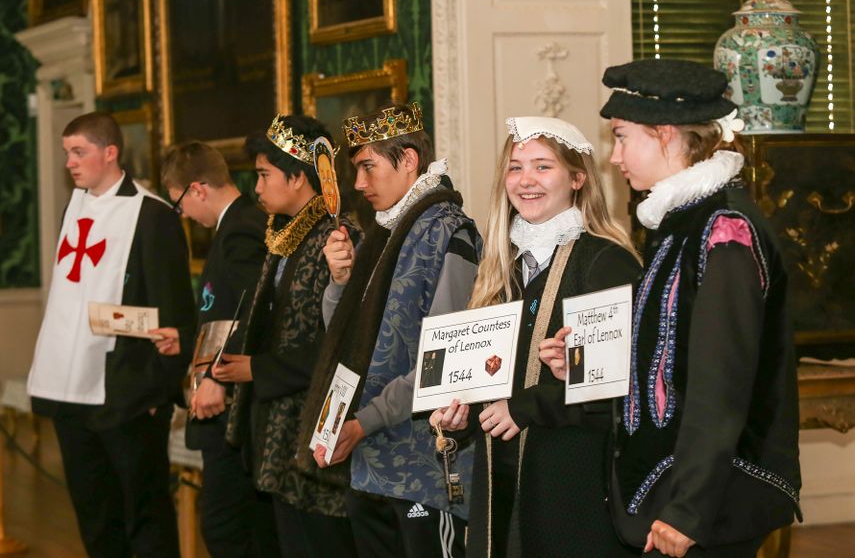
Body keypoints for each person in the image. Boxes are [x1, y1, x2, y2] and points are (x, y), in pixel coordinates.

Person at [549, 58, 801, 557]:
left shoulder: (724, 230)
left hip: (711, 501)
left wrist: (688, 509)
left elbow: (720, 385)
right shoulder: (679, 223)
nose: (615, 156)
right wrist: (584, 364)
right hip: (676, 490)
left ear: (664, 134)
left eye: (622, 137)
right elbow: (666, 357)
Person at [431, 116, 641, 558]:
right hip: (502, 489)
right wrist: (461, 416)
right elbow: (489, 382)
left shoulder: (605, 262)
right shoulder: (501, 267)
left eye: (543, 166)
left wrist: (527, 405)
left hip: (572, 489)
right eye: (515, 167)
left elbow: (616, 395)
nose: (525, 180)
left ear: (578, 178)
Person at [298, 102, 481, 558]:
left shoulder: (449, 232)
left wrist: (365, 423)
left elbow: (445, 361)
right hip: (369, 459)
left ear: (409, 161)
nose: (359, 184)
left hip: (422, 466)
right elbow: (349, 338)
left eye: (367, 167)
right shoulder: (382, 230)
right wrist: (339, 284)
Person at [27, 112, 195, 558]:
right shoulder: (74, 206)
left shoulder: (152, 215)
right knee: (95, 515)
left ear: (110, 152)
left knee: (144, 515)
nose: (70, 163)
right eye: (66, 153)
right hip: (70, 389)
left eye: (78, 152)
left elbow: (175, 310)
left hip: (127, 392)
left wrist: (159, 387)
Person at [215, 115, 360, 557]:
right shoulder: (286, 235)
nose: (256, 189)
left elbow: (345, 342)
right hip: (276, 431)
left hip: (311, 431)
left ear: (298, 176)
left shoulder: (338, 239)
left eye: (264, 175)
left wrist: (258, 368)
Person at [151, 140, 273, 557]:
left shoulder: (239, 228)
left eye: (180, 203)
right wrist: (186, 341)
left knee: (226, 528)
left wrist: (215, 376)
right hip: (226, 400)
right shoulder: (234, 225)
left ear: (198, 189)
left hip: (233, 406)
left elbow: (254, 313)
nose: (183, 214)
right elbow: (224, 312)